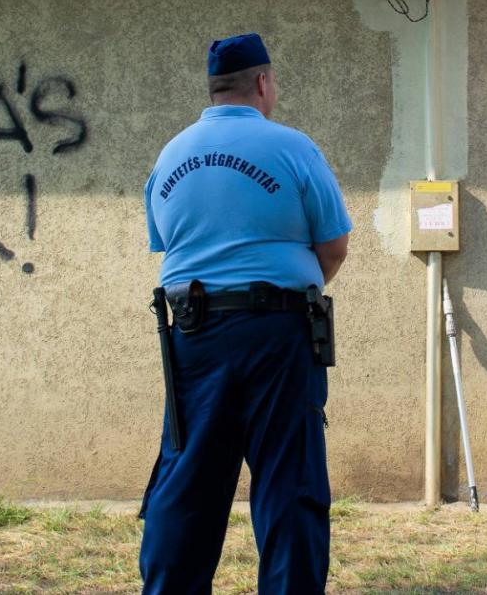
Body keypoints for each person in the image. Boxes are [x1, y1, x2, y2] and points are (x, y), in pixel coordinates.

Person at [138, 32, 351, 595]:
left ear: (214, 89)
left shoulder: (171, 153)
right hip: (278, 335)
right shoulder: (293, 147)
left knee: (187, 481)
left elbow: (165, 243)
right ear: (262, 83)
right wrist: (287, 296)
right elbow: (334, 247)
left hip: (192, 331)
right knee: (289, 482)